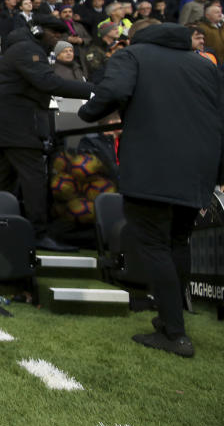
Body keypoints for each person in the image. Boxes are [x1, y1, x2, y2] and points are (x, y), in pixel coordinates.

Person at [78, 23, 224, 358]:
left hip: (153, 164)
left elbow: (113, 91)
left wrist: (89, 112)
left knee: (154, 242)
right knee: (178, 240)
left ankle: (175, 332)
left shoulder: (134, 55)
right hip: (198, 167)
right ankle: (171, 317)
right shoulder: (204, 63)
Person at [0, 14, 94, 251]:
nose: (58, 39)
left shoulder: (26, 48)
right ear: (40, 31)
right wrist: (94, 91)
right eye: (55, 34)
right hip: (16, 125)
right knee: (33, 178)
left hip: (7, 124)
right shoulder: (27, 50)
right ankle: (38, 233)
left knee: (5, 178)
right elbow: (48, 83)